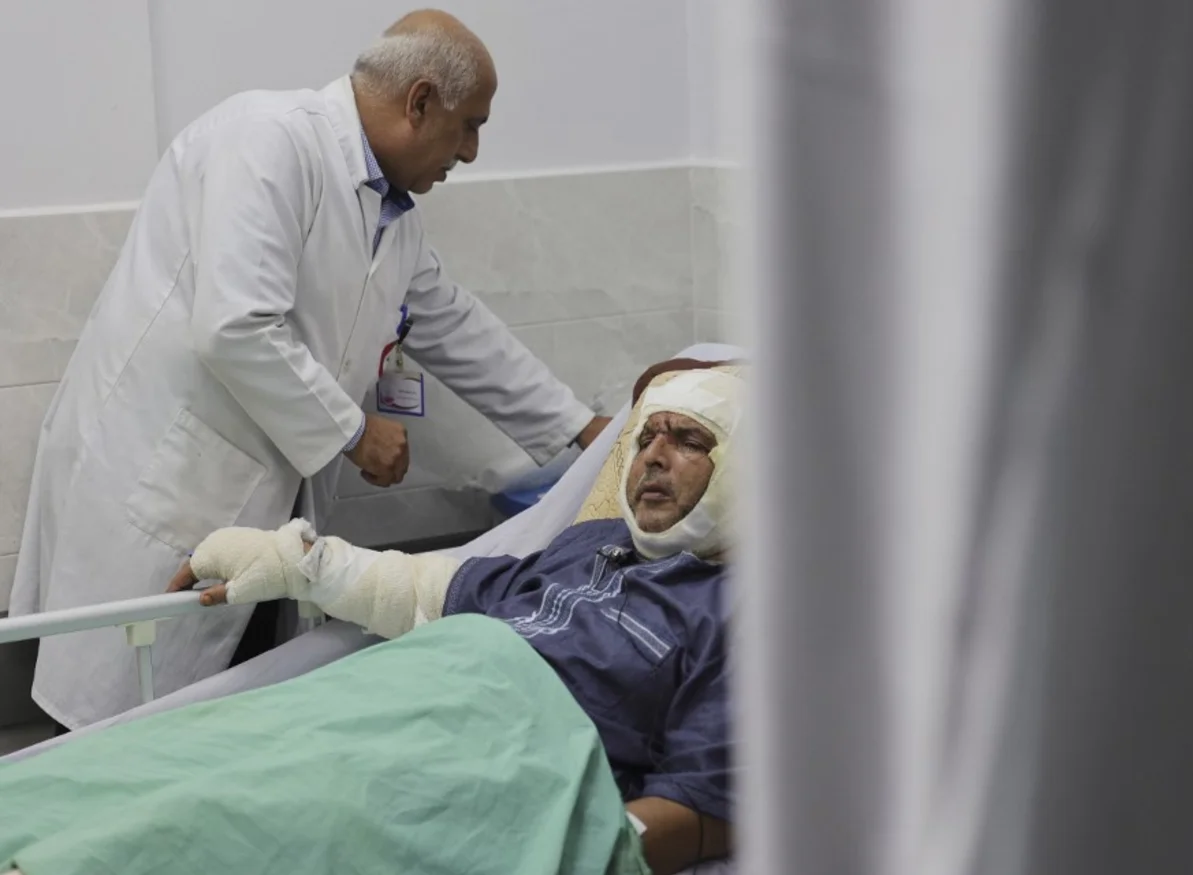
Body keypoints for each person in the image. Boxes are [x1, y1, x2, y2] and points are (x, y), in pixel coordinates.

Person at [10, 9, 610, 731]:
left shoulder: (393, 211)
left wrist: (582, 426)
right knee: (110, 721)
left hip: (261, 503)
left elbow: (452, 322)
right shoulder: (268, 142)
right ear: (420, 103)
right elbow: (233, 326)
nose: (474, 151)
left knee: (206, 718)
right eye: (471, 125)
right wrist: (355, 433)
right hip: (165, 482)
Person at [168, 368, 742, 875]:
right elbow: (434, 592)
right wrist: (298, 562)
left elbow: (700, 808)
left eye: (689, 440)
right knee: (186, 773)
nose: (652, 457)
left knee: (223, 825)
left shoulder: (742, 612)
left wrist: (584, 850)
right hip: (378, 708)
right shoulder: (591, 542)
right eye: (645, 437)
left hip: (461, 771)